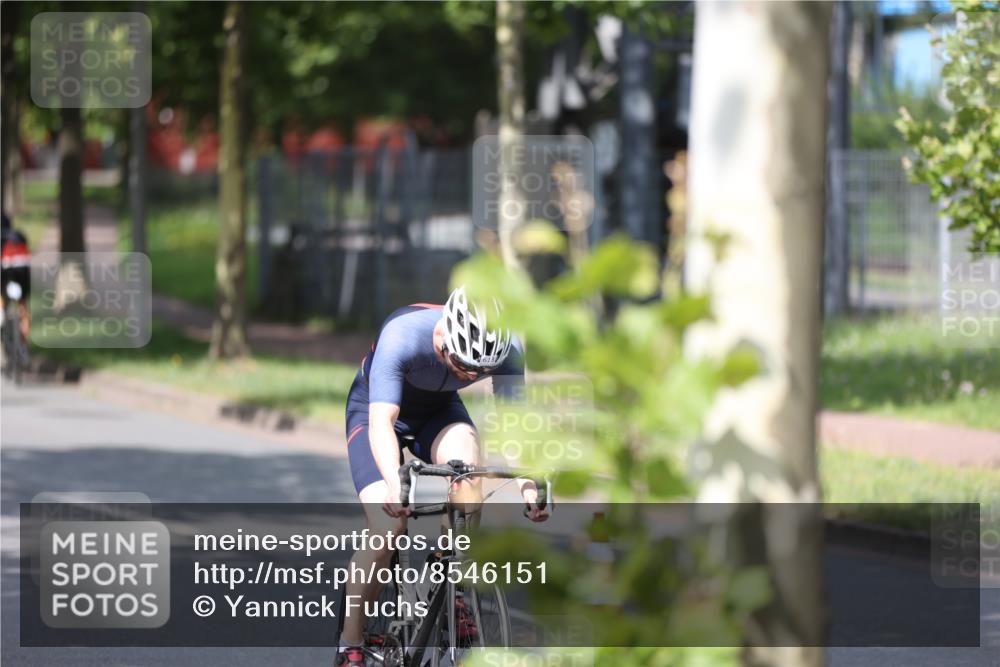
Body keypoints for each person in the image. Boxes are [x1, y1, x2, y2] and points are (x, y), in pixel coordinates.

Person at [336, 286, 547, 666]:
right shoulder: (403, 333)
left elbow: (515, 425)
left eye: (478, 372)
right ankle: (350, 643)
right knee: (388, 529)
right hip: (376, 413)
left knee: (469, 478)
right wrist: (392, 484)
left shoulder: (508, 348)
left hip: (439, 413)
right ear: (445, 335)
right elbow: (382, 422)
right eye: (460, 364)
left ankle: (452, 585)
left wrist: (527, 482)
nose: (468, 374)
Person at [0, 212, 31, 342]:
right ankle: (24, 347)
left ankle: (1, 315)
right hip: (23, 268)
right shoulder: (18, 235)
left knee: (1, 295)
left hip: (5, 268)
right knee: (23, 304)